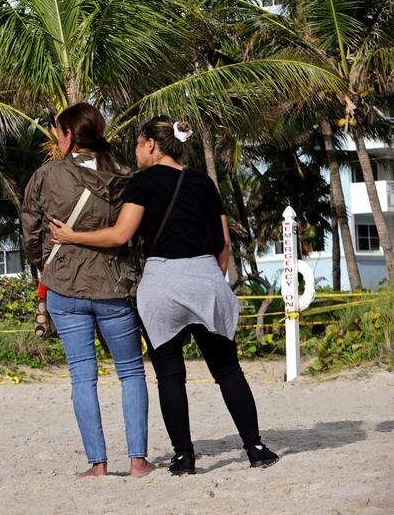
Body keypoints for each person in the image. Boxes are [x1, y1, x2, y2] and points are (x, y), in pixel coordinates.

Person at [51, 116, 279, 475]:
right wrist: (208, 281)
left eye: (139, 145)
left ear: (152, 145)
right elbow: (223, 244)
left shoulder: (141, 183)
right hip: (206, 277)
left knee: (170, 376)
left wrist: (71, 236)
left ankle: (183, 458)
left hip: (163, 283)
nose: (137, 152)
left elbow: (120, 235)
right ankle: (256, 447)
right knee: (227, 369)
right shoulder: (203, 181)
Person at [21, 103, 154, 478]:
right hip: (114, 284)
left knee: (83, 375)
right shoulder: (125, 178)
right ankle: (139, 460)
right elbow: (135, 235)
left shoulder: (46, 176)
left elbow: (30, 229)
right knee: (130, 373)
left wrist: (41, 260)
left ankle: (98, 464)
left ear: (67, 136)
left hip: (65, 285)